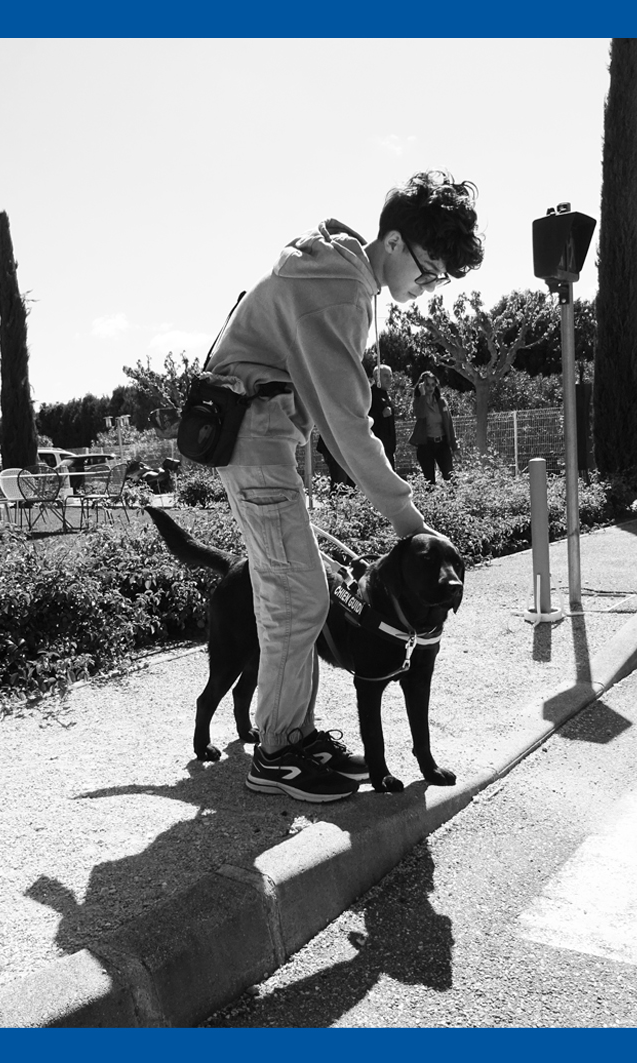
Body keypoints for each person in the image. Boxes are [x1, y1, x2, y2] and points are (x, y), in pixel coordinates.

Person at [202, 171, 475, 803]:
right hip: (255, 441)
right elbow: (348, 425)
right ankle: (278, 752)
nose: (428, 287)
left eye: (440, 281)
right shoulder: (340, 289)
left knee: (296, 592)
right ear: (395, 242)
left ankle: (293, 735)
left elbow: (324, 406)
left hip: (263, 439)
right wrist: (409, 520)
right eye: (429, 271)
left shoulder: (341, 274)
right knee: (296, 598)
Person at [409, 371, 456, 484]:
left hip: (442, 444)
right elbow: (421, 414)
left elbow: (449, 424)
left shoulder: (441, 402)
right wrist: (423, 395)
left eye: (433, 385)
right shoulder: (418, 402)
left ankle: (454, 496)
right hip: (426, 445)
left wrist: (455, 446)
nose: (430, 388)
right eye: (427, 385)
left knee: (450, 477)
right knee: (429, 481)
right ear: (421, 386)